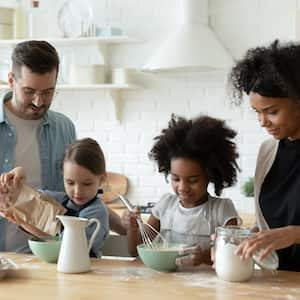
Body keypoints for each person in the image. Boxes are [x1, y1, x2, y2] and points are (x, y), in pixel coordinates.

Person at [0, 40, 125, 252]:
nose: (39, 101)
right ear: (11, 80)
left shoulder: (64, 127)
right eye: (29, 91)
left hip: (54, 258)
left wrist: (124, 226)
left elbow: (78, 199)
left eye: (48, 92)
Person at [122, 114, 240, 266]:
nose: (183, 188)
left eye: (193, 180)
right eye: (176, 179)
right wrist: (131, 229)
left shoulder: (222, 210)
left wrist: (204, 257)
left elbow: (234, 256)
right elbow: (134, 251)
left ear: (210, 175)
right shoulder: (165, 205)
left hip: (207, 287)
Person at [228, 39, 300, 272]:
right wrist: (243, 240)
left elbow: (288, 232)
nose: (262, 122)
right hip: (280, 280)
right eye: (257, 112)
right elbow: (268, 226)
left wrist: (295, 233)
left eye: (272, 112)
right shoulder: (268, 151)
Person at [0, 138, 109, 257]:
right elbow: (34, 198)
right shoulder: (60, 199)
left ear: (101, 180)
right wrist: (15, 184)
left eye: (87, 184)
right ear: (63, 176)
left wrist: (24, 223)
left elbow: (65, 248)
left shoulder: (97, 211)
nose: (78, 191)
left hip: (86, 270)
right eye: (70, 183)